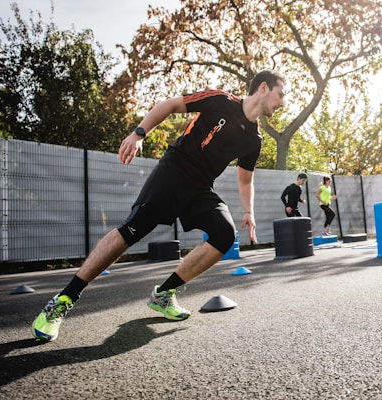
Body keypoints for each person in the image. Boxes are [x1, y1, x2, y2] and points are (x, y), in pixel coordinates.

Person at [31, 70, 286, 341]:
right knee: (132, 230)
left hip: (200, 188)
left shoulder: (254, 140)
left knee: (224, 234)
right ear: (263, 88)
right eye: (280, 95)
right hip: (175, 170)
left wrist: (249, 212)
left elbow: (246, 181)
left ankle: (163, 294)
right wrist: (139, 133)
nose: (282, 103)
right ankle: (61, 301)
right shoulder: (220, 100)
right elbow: (171, 104)